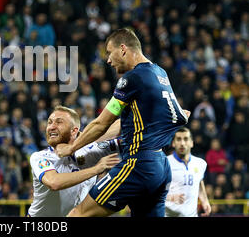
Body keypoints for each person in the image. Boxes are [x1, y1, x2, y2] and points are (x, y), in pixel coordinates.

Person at [57, 28, 189, 217]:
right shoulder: (160, 73)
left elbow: (101, 123)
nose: (108, 60)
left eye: (109, 53)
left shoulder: (132, 79)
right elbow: (178, 116)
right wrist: (86, 141)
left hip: (138, 163)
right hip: (160, 166)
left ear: (123, 48)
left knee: (79, 213)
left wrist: (71, 148)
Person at [28, 105, 121, 217]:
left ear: (74, 131)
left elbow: (122, 133)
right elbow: (54, 183)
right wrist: (96, 169)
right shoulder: (40, 157)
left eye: (59, 122)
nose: (51, 127)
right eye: (49, 122)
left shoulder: (90, 151)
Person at [165, 127, 211, 217]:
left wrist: (205, 201)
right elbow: (153, 192)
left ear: (192, 143)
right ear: (173, 143)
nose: (182, 143)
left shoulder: (201, 163)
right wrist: (170, 198)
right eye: (178, 139)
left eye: (186, 139)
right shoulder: (165, 163)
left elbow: (199, 182)